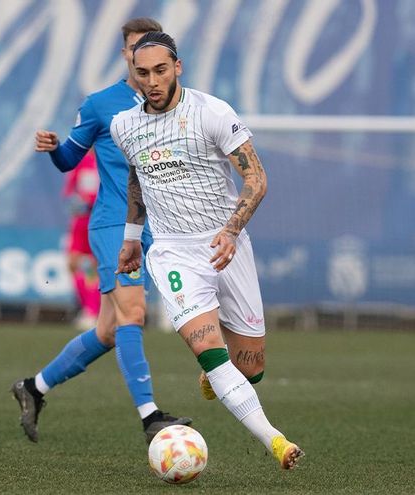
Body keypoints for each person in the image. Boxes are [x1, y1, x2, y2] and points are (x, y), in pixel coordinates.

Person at [112, 32, 304, 469]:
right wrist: (130, 238)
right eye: (142, 73)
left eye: (161, 70)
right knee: (212, 350)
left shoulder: (213, 113)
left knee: (251, 366)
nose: (152, 81)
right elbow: (137, 180)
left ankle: (217, 378)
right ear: (133, 75)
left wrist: (232, 230)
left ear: (178, 67)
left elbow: (257, 178)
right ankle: (276, 441)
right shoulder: (124, 126)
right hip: (174, 254)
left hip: (226, 246)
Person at [13, 17, 191, 444]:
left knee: (110, 330)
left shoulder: (178, 102)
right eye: (135, 50)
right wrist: (56, 148)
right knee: (134, 314)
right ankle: (151, 418)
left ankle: (33, 388)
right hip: (114, 223)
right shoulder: (101, 104)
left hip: (160, 229)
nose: (142, 59)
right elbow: (69, 160)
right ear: (126, 53)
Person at [63, 149, 100, 330]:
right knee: (73, 263)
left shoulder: (107, 160)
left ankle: (92, 312)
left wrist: (93, 203)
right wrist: (75, 202)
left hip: (98, 221)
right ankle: (87, 308)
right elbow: (69, 192)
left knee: (93, 267)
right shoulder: (81, 162)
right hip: (80, 222)